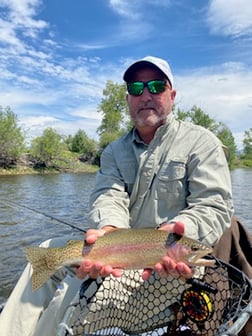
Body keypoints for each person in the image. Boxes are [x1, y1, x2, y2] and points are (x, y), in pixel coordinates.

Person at [0, 56, 234, 336]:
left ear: (172, 95)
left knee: (71, 295)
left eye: (156, 86)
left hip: (169, 270)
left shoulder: (201, 142)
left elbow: (214, 205)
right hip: (119, 249)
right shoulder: (113, 152)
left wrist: (182, 233)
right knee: (45, 254)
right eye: (136, 88)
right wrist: (109, 230)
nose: (145, 95)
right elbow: (108, 196)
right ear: (127, 99)